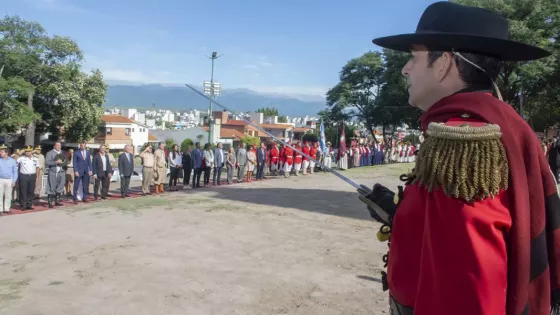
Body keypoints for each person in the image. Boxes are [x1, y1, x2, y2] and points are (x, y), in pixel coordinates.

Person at [359, 2, 559, 314]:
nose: (405, 68)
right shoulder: (501, 124)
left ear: (444, 64)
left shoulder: (463, 141)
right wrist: (401, 216)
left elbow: (469, 282)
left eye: (414, 57)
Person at [16, 146, 39, 210]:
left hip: (32, 176)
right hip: (24, 176)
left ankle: (29, 204)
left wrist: (37, 177)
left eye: (29, 151)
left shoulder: (35, 159)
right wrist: (19, 153)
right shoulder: (21, 158)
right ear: (25, 152)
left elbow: (37, 168)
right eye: (27, 151)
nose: (28, 152)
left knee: (31, 191)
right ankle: (23, 205)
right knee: (23, 191)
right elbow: (15, 160)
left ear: (31, 152)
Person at [45, 142, 68, 208]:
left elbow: (66, 160)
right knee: (51, 186)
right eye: (57, 145)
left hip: (62, 171)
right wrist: (56, 162)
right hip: (53, 171)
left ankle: (57, 201)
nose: (59, 147)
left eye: (60, 145)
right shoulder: (49, 153)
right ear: (54, 146)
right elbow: (47, 162)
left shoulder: (63, 152)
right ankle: (50, 202)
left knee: (60, 186)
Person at [0, 144, 17, 215]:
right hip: (0, 179)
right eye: (0, 152)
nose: (0, 153)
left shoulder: (12, 161)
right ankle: (0, 210)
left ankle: (7, 209)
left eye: (2, 152)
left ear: (6, 152)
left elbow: (15, 172)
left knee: (8, 195)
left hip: (9, 180)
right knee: (0, 195)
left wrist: (14, 181)